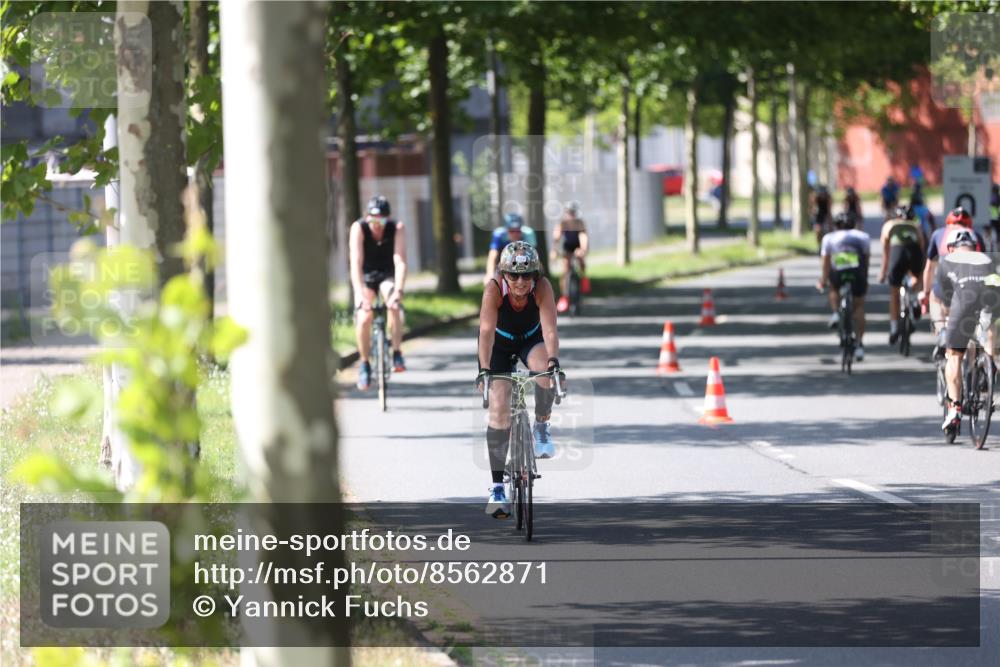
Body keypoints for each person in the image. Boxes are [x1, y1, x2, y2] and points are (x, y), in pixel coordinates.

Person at [476, 241, 561, 518]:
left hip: (531, 339)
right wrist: (484, 369)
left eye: (527, 275)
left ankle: (541, 426)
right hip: (499, 346)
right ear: (504, 274)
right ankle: (497, 488)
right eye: (514, 275)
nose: (521, 281)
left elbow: (549, 329)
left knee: (544, 373)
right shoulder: (494, 289)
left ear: (535, 274)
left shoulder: (543, 287)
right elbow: (486, 333)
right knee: (499, 410)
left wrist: (554, 362)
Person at [936, 227, 1000, 432]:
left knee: (953, 355)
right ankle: (989, 367)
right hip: (993, 296)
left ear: (951, 248)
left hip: (964, 299)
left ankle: (954, 409)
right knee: (990, 324)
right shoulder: (986, 257)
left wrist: (946, 320)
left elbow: (946, 297)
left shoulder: (946, 261)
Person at [350, 195, 407, 390]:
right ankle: (364, 364)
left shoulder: (396, 228)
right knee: (364, 317)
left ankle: (397, 352)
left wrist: (398, 291)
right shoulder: (358, 228)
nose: (377, 224)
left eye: (382, 219)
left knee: (394, 305)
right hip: (366, 276)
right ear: (367, 218)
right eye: (373, 219)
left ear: (388, 219)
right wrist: (359, 295)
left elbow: (400, 262)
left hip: (387, 275)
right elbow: (355, 264)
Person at [920, 207, 986, 358]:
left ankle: (943, 331)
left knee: (935, 299)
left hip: (949, 286)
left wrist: (925, 292)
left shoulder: (939, 234)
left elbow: (929, 268)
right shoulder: (975, 235)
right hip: (975, 286)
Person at [817, 212, 871, 361]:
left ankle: (835, 313)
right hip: (857, 270)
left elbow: (826, 262)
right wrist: (865, 279)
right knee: (859, 306)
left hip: (838, 270)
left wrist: (823, 279)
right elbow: (866, 261)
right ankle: (859, 345)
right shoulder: (863, 237)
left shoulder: (828, 238)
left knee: (833, 288)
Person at [878, 206, 926, 344]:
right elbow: (921, 247)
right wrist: (920, 274)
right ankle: (915, 298)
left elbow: (886, 252)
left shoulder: (889, 225)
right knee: (916, 276)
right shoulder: (915, 225)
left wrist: (883, 272)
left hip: (897, 254)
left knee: (894, 294)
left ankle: (894, 329)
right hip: (913, 253)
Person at [552, 202, 590, 313]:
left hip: (578, 246)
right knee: (565, 269)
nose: (571, 215)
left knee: (582, 262)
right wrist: (554, 251)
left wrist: (583, 250)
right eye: (569, 212)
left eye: (573, 213)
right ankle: (564, 295)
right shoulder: (562, 223)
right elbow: (557, 238)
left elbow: (583, 237)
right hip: (567, 247)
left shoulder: (580, 223)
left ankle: (583, 279)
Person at [484, 213, 537, 283]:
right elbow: (493, 255)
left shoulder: (528, 234)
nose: (515, 234)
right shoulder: (499, 235)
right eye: (512, 231)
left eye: (518, 231)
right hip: (503, 266)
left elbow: (533, 256)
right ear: (506, 230)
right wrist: (489, 273)